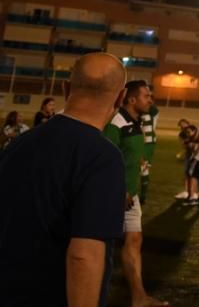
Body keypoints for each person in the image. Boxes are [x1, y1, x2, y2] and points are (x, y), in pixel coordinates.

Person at [0, 53, 127, 306]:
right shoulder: (103, 157)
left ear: (65, 88)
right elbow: (84, 255)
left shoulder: (19, 144)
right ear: (121, 97)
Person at [104, 79, 169, 307]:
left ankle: (139, 298)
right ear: (132, 99)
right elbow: (106, 161)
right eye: (146, 96)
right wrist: (119, 191)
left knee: (134, 240)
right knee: (102, 248)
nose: (149, 100)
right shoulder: (116, 123)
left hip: (131, 196)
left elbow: (129, 155)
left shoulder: (136, 122)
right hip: (116, 196)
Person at [138, 92, 159, 205]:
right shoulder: (145, 113)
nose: (149, 101)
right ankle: (141, 195)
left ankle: (142, 195)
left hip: (147, 144)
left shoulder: (149, 113)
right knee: (141, 169)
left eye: (150, 98)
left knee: (143, 169)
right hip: (146, 143)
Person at [174, 119, 199, 201]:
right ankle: (187, 191)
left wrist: (193, 146)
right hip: (188, 155)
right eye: (181, 126)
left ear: (188, 124)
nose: (182, 127)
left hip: (196, 156)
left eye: (183, 124)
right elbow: (184, 145)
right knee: (187, 173)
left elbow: (198, 142)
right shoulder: (182, 134)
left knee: (194, 174)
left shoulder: (194, 130)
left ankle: (194, 192)